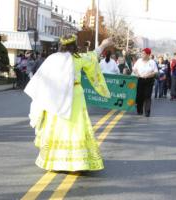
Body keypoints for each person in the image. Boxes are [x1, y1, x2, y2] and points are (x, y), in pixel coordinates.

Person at [24, 34, 113, 172]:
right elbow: (93, 55)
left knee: (57, 126)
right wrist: (104, 44)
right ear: (74, 45)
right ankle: (77, 161)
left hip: (56, 97)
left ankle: (56, 160)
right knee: (76, 126)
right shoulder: (78, 58)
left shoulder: (52, 59)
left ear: (61, 45)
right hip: (75, 95)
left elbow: (42, 79)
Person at [133, 48, 158, 117]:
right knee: (139, 95)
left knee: (147, 96)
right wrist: (137, 73)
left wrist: (148, 75)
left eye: (143, 53)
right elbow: (134, 69)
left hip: (149, 80)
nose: (142, 55)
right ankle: (139, 110)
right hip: (140, 79)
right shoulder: (139, 61)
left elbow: (155, 72)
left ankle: (147, 112)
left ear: (148, 55)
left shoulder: (152, 62)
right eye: (142, 53)